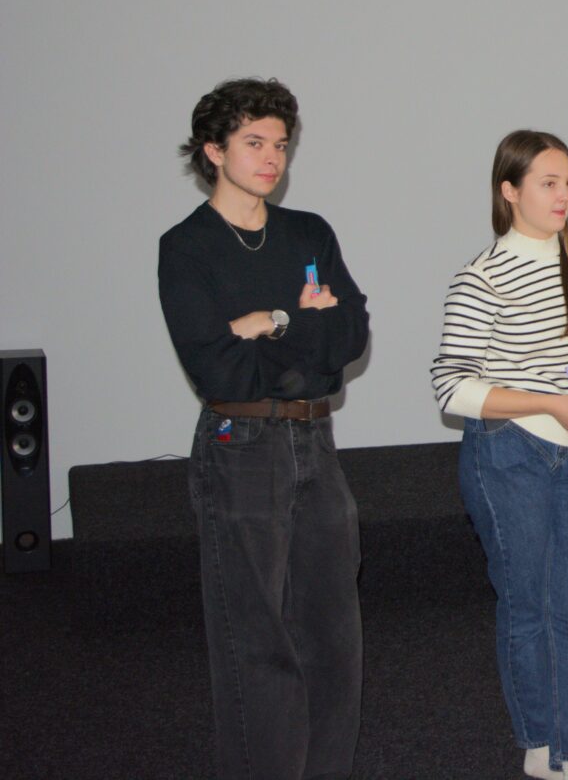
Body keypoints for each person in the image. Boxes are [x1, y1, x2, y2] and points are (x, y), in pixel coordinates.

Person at [158, 77, 370, 780]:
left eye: (280, 143)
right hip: (239, 447)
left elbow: (349, 338)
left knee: (334, 639)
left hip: (316, 442)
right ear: (214, 151)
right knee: (256, 643)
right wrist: (306, 327)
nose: (273, 157)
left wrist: (271, 323)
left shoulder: (309, 232)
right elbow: (219, 371)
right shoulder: (187, 247)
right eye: (254, 142)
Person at [431, 131, 568, 780]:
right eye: (548, 182)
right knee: (529, 606)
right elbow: (452, 387)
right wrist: (550, 403)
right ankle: (541, 746)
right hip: (509, 452)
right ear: (509, 190)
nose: (564, 194)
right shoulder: (481, 277)